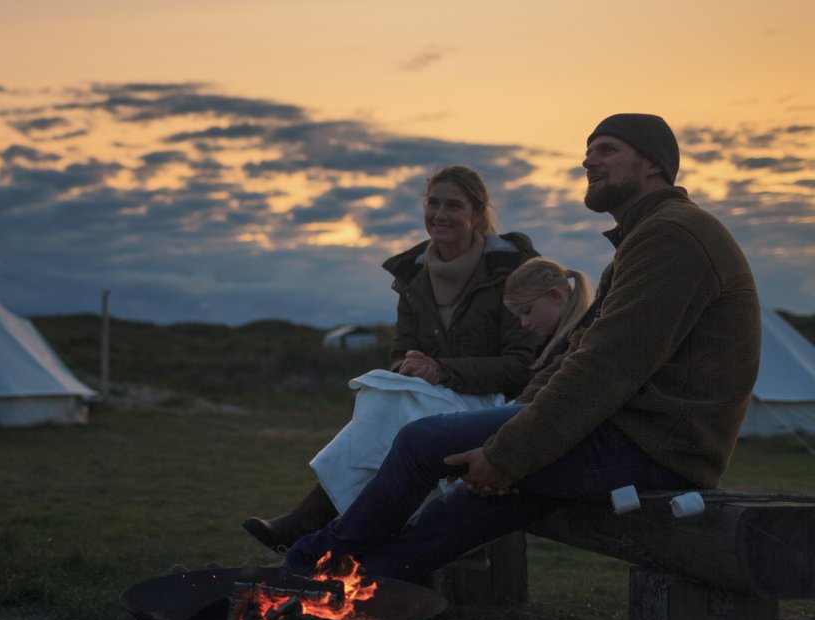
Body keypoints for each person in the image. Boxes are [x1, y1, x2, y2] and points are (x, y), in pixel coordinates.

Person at [285, 113, 762, 581]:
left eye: (607, 150)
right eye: (588, 150)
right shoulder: (648, 237)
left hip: (653, 450)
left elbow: (604, 368)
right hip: (633, 440)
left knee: (420, 443)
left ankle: (306, 566)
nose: (588, 162)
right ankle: (350, 591)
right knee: (463, 512)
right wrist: (514, 422)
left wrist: (508, 451)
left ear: (653, 164)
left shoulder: (674, 235)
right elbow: (575, 354)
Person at [242, 164, 541, 551]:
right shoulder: (413, 275)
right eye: (433, 203)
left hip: (490, 402)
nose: (440, 215)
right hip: (428, 396)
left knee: (395, 406)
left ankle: (318, 521)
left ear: (477, 213)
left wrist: (440, 371)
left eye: (453, 206)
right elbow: (401, 350)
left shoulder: (510, 270)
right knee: (388, 395)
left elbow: (520, 366)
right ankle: (344, 529)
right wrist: (410, 366)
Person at [501, 256, 593, 371]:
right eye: (518, 317)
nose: (523, 323)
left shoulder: (579, 347)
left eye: (526, 311)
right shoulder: (560, 345)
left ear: (555, 295)